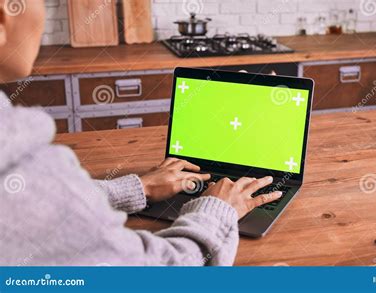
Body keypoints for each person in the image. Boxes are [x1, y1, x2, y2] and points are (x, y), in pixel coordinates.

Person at [0, 0, 282, 266]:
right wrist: (219, 209)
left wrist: (137, 188)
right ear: (4, 17)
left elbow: (50, 201)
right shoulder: (22, 170)